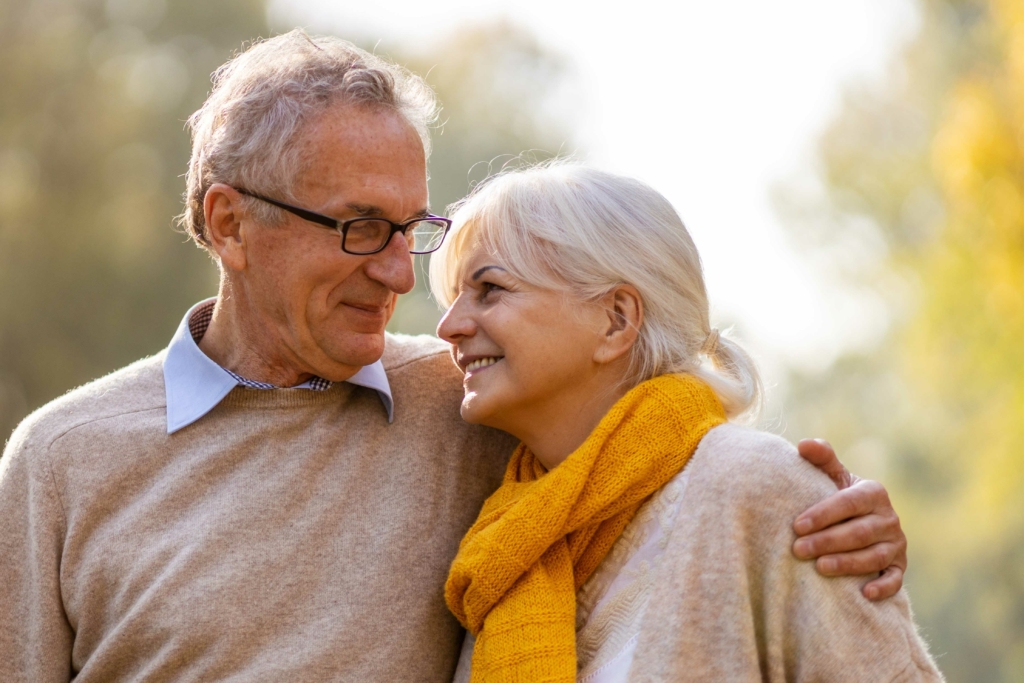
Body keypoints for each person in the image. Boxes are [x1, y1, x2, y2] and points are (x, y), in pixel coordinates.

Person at [0, 31, 905, 681]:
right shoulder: (60, 461)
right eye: (360, 228)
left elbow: (646, 439)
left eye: (411, 229)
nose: (403, 275)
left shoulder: (472, 404)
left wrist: (836, 519)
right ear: (231, 223)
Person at [434, 163, 943, 682]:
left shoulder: (756, 487)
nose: (448, 326)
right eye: (453, 298)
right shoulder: (503, 545)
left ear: (616, 320)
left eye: (490, 289)